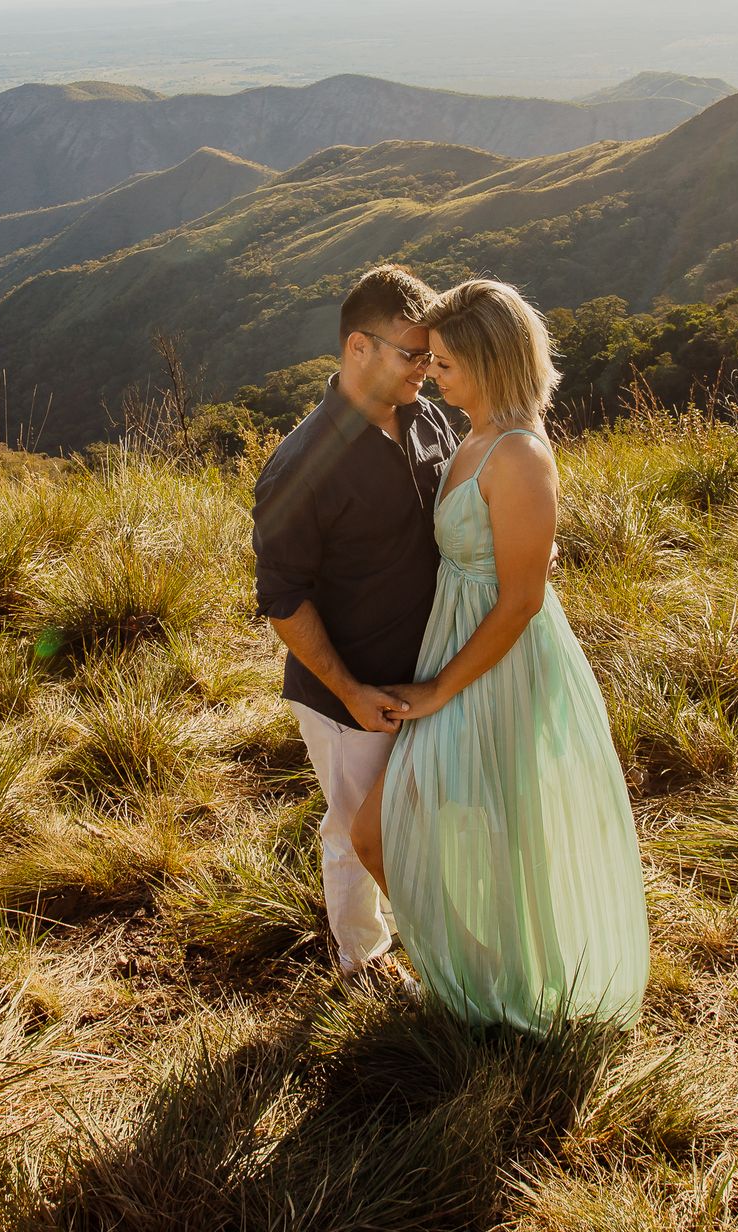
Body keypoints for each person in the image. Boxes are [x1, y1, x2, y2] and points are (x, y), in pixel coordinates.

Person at [351, 279, 650, 1034]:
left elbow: (519, 599)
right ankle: (480, 973)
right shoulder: (472, 434)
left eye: (446, 364)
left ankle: (496, 989)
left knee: (443, 828)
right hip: (456, 652)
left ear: (490, 363)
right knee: (395, 828)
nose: (432, 375)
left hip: (494, 668)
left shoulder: (518, 454)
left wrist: (436, 691)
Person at [250, 264, 458, 986]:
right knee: (353, 830)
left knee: (422, 822)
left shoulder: (425, 416)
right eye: (413, 354)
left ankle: (434, 938)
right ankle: (362, 961)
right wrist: (349, 692)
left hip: (434, 676)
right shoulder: (298, 465)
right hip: (352, 692)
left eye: (431, 357)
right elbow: (282, 598)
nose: (427, 371)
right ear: (357, 347)